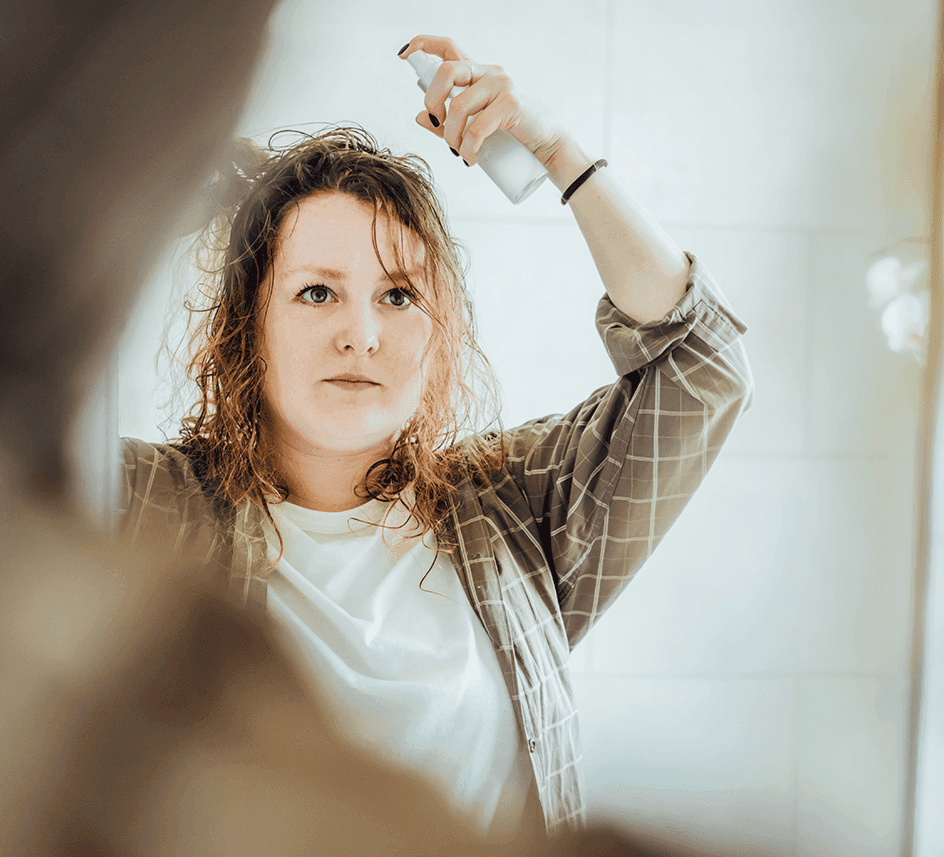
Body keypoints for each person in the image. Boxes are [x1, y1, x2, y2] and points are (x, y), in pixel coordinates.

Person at [117, 34, 755, 844]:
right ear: (249, 324)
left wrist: (560, 153)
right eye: (317, 292)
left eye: (397, 295)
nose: (362, 334)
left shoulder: (515, 513)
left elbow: (701, 363)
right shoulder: (146, 505)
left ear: (438, 330)